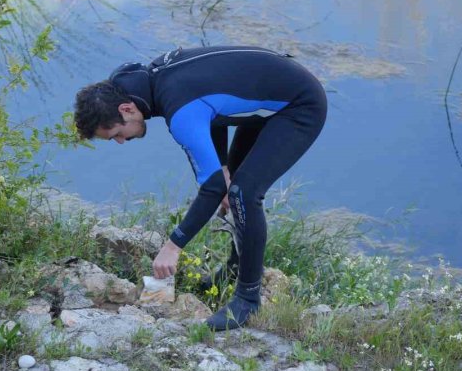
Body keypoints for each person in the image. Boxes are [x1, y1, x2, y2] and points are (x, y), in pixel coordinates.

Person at [73, 45, 327, 330]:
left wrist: (173, 246)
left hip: (298, 105)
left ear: (126, 109)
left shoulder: (179, 111)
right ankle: (234, 268)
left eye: (117, 134)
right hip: (267, 100)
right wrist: (223, 167)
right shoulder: (138, 82)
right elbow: (210, 110)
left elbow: (211, 188)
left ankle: (247, 301)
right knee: (232, 187)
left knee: (243, 193)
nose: (120, 142)